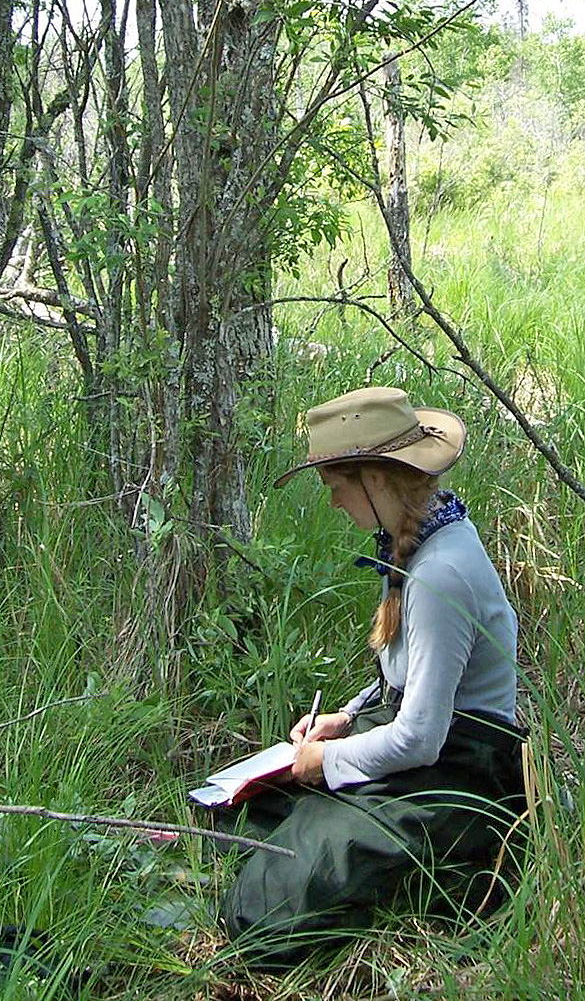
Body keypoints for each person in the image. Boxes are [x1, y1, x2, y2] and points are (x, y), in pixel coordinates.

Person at [220, 386, 527, 964]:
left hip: (463, 776)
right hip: (436, 751)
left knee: (274, 901)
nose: (334, 502)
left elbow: (421, 737)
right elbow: (411, 675)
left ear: (377, 479)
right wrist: (347, 717)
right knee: (252, 811)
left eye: (337, 486)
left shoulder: (441, 575)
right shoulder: (423, 536)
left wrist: (328, 761)